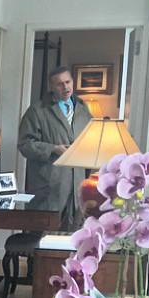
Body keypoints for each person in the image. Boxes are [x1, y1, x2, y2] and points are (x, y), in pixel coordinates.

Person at [17, 65, 92, 231]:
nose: (65, 87)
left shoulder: (83, 109)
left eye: (68, 82)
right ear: (51, 87)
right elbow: (24, 144)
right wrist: (53, 149)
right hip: (49, 187)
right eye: (59, 84)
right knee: (43, 237)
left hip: (77, 187)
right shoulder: (37, 111)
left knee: (72, 237)